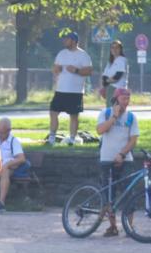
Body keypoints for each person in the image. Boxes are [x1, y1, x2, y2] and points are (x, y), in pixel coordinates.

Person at [95, 87, 139, 237]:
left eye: (128, 98)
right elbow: (100, 130)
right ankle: (112, 226)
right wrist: (113, 117)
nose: (126, 102)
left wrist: (122, 154)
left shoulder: (131, 117)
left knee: (129, 193)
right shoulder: (105, 113)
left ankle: (130, 226)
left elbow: (133, 140)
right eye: (123, 98)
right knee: (109, 194)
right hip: (107, 159)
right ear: (116, 99)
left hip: (126, 160)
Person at [49, 31, 93, 145]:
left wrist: (77, 70)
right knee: (53, 113)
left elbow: (89, 71)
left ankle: (72, 139)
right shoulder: (61, 53)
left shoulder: (83, 55)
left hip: (75, 91)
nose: (64, 41)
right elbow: (55, 68)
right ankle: (52, 138)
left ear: (74, 41)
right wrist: (56, 69)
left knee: (73, 116)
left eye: (67, 39)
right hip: (60, 90)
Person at [100, 40, 128, 105]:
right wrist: (104, 87)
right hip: (109, 89)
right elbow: (104, 77)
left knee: (116, 111)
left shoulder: (122, 60)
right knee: (110, 111)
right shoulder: (110, 62)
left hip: (118, 90)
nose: (114, 49)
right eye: (112, 47)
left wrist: (107, 80)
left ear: (120, 49)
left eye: (117, 47)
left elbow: (117, 77)